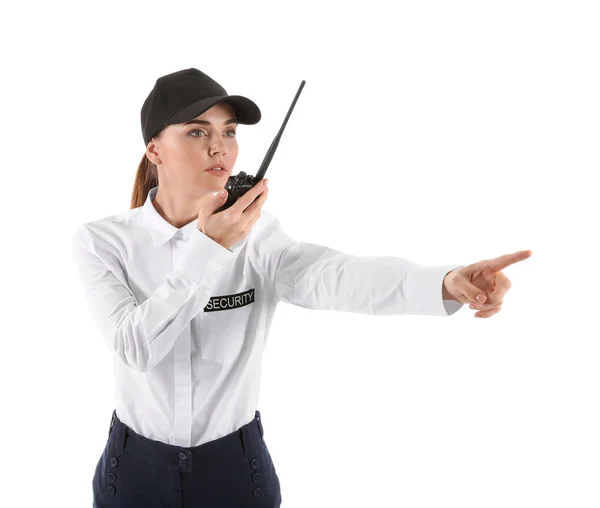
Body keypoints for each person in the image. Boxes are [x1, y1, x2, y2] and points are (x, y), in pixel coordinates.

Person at [72, 68, 466, 507]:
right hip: (134, 473)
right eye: (197, 132)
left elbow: (334, 275)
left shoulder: (259, 238)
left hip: (234, 471)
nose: (219, 146)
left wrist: (443, 283)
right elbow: (136, 348)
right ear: (154, 149)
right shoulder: (102, 241)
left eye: (230, 131)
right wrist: (210, 247)